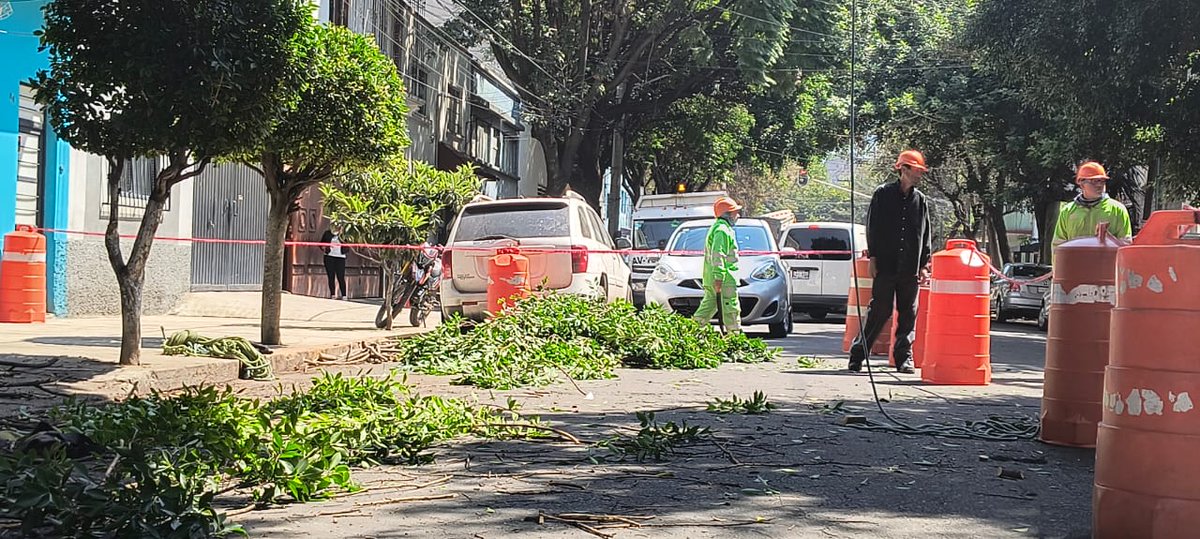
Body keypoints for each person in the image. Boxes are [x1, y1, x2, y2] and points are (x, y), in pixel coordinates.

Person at [848, 150, 934, 374]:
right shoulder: (883, 195)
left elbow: (925, 234)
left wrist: (924, 264)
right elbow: (873, 227)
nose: (919, 176)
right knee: (880, 310)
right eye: (916, 171)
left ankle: (903, 357)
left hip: (910, 268)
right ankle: (858, 355)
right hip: (886, 264)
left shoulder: (920, 200)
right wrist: (873, 257)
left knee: (908, 313)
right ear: (903, 169)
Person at [1052, 161, 1132, 249]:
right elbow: (1058, 246)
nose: (1099, 185)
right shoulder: (1068, 211)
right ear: (1081, 183)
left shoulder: (1117, 209)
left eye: (1102, 181)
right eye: (1094, 181)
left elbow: (1125, 245)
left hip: (1106, 262)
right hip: (1076, 262)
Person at [693, 196, 743, 334]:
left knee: (709, 306)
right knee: (730, 307)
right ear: (727, 214)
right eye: (734, 212)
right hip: (724, 279)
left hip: (717, 278)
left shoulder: (720, 228)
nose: (737, 216)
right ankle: (734, 336)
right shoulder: (722, 230)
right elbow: (718, 254)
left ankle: (691, 332)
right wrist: (719, 277)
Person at [321, 224, 348, 300]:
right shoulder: (327, 233)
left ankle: (344, 295)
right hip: (329, 256)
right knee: (331, 276)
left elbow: (347, 245)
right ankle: (332, 294)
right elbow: (321, 243)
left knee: (340, 276)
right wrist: (324, 249)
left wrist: (341, 234)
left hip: (340, 257)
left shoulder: (344, 234)